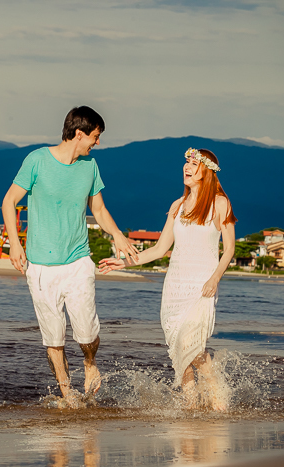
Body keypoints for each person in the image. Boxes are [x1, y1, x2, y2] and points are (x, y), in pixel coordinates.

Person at [2, 106, 139, 401]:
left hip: (78, 262)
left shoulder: (90, 167)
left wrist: (117, 234)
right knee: (54, 338)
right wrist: (15, 243)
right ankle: (67, 395)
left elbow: (98, 209)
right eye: (95, 136)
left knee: (87, 333)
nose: (97, 142)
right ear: (79, 134)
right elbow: (9, 201)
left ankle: (90, 362)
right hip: (40, 266)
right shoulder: (37, 160)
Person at [99, 147, 236, 409]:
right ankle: (190, 406)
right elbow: (159, 249)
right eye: (186, 162)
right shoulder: (177, 205)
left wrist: (215, 278)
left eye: (193, 163)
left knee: (191, 345)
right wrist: (123, 262)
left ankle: (220, 403)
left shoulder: (220, 203)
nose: (187, 167)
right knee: (178, 348)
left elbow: (229, 249)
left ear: (206, 171)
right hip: (174, 287)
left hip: (202, 285)